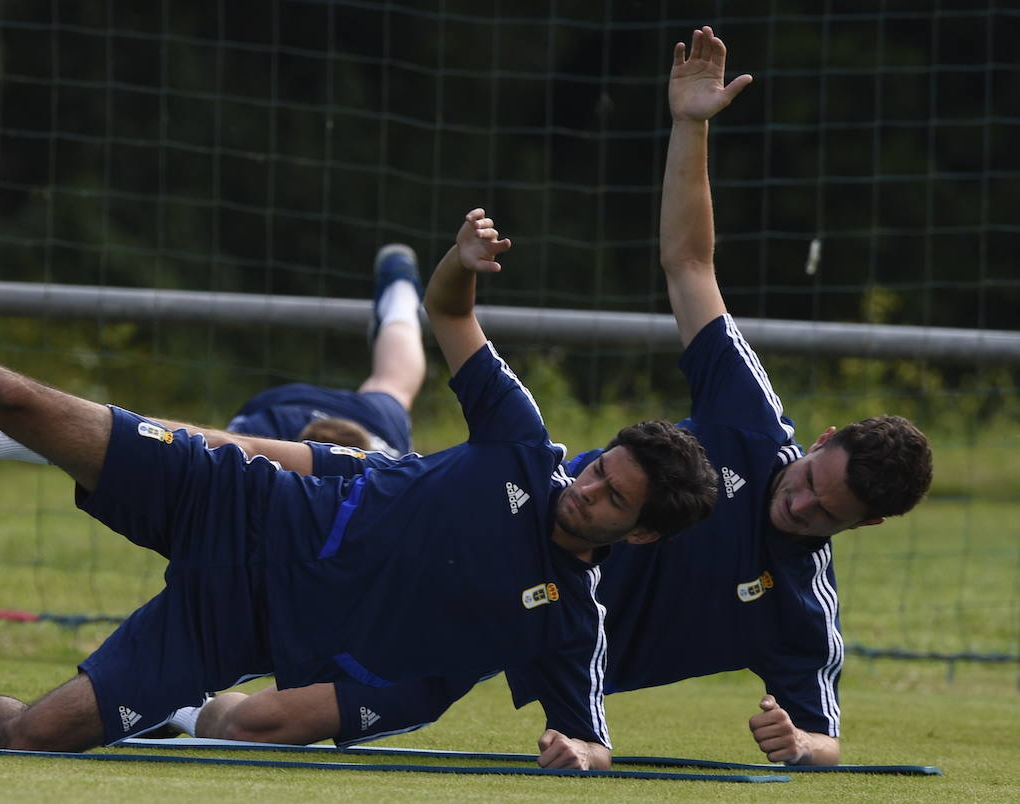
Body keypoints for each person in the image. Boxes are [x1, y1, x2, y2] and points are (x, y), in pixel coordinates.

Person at [155, 26, 934, 766]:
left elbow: (824, 735)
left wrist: (801, 746)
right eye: (808, 480)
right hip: (457, 529)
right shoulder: (750, 423)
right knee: (243, 460)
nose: (799, 503)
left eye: (826, 514)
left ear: (864, 525)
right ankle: (149, 595)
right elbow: (690, 266)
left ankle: (174, 711)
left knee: (263, 723)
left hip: (502, 634)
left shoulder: (800, 605)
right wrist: (691, 126)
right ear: (822, 439)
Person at [0, 207, 720, 768]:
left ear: (635, 538)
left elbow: (589, 735)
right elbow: (453, 320)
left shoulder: (570, 617)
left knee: (29, 740)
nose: (582, 489)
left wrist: (579, 753)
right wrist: (457, 261)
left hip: (237, 625)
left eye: (607, 499)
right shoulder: (522, 444)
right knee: (25, 397)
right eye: (597, 468)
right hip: (236, 498)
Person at [0, 244, 426, 482]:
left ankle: (399, 282)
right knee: (178, 457)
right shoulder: (303, 456)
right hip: (295, 434)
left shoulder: (396, 455)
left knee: (396, 378)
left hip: (362, 425)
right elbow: (158, 448)